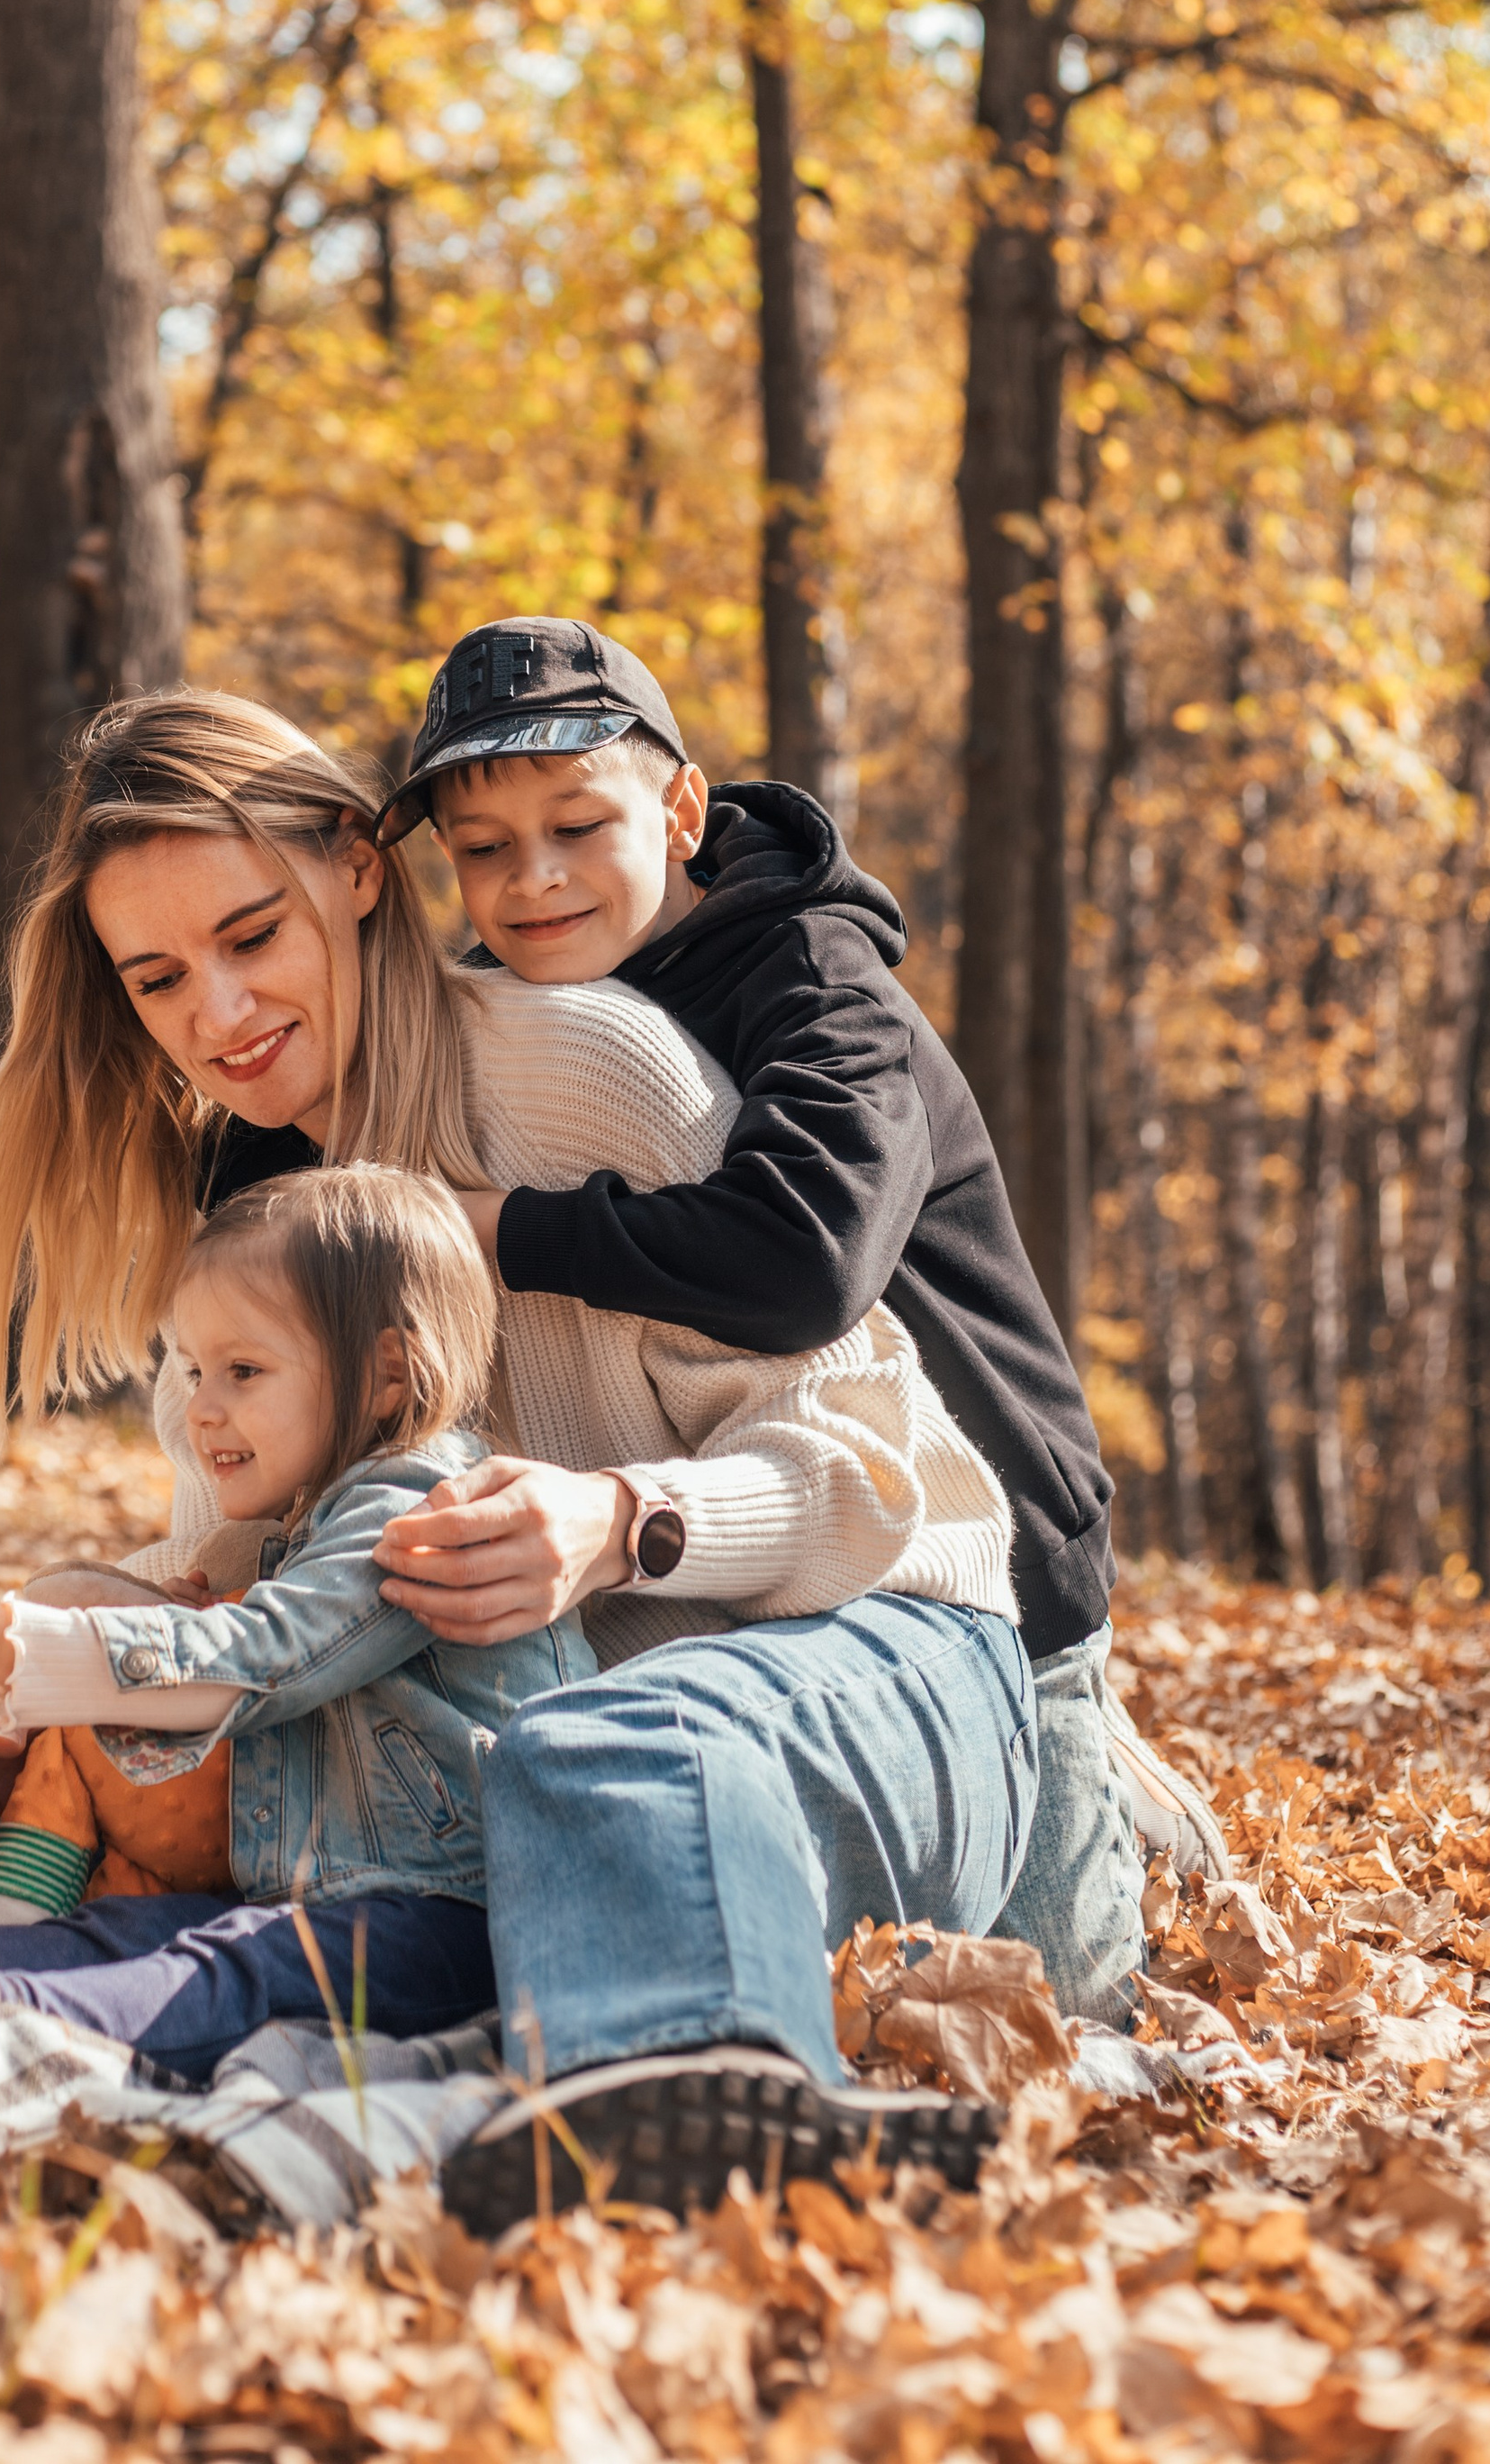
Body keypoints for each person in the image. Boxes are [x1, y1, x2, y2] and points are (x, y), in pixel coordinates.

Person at [0, 691, 1034, 2225]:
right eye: (160, 980)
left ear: (359, 869)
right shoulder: (245, 1232)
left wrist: (620, 1523)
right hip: (553, 1766)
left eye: (252, 937)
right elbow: (253, 1593)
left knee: (612, 1751)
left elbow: (868, 1471)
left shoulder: (589, 1070)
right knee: (508, 1810)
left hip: (883, 1643)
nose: (218, 1015)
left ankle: (704, 2120)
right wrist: (49, 1691)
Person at [373, 611, 1207, 2030]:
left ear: (683, 808)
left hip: (985, 1546)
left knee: (1058, 2027)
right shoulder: (516, 1018)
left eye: (578, 824)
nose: (535, 878)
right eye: (485, 849)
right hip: (767, 1541)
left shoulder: (814, 975)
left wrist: (497, 1227)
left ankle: (1101, 1775)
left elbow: (805, 1256)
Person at [0, 1166, 590, 2076]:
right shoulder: (310, 1524)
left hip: (458, 1920)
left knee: (234, 1971)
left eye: (241, 1370)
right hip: (320, 1894)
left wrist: (5, 1642)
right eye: (190, 1369)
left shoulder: (422, 1510)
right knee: (127, 1931)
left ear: (386, 1374)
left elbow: (256, 1664)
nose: (200, 1409)